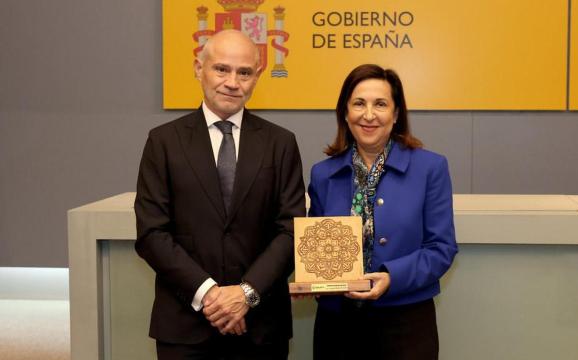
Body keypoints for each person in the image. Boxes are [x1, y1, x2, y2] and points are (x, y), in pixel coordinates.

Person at [134, 29, 305, 359]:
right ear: (199, 68)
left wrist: (246, 294)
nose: (232, 81)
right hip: (185, 325)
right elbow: (152, 232)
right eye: (221, 69)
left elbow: (291, 230)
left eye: (244, 72)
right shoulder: (163, 142)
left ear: (257, 77)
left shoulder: (280, 143)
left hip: (261, 326)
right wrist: (210, 294)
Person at [307, 64, 458, 360]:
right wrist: (312, 276)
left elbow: (442, 248)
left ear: (396, 114)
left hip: (407, 323)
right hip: (337, 325)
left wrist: (392, 277)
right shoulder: (323, 174)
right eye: (359, 103)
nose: (369, 115)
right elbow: (316, 247)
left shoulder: (430, 168)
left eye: (380, 104)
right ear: (345, 112)